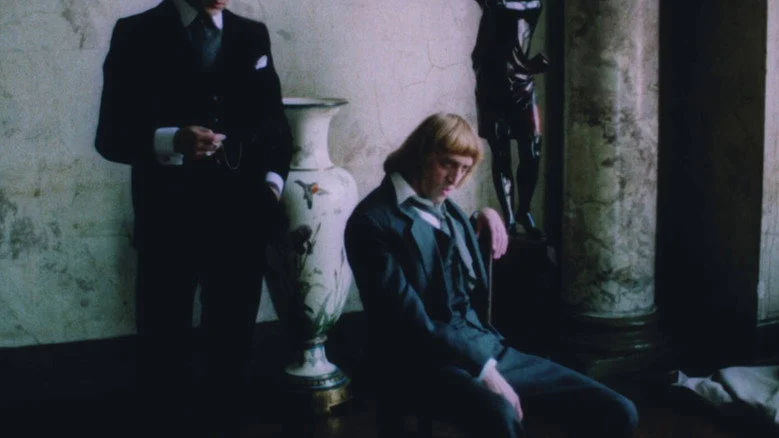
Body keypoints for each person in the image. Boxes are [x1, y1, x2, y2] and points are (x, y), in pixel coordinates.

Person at [344, 113, 637, 438]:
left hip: (483, 344)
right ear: (421, 155)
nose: (456, 179)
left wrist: (484, 214)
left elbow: (443, 252)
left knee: (618, 409)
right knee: (501, 414)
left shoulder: (443, 205)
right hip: (421, 362)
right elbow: (412, 322)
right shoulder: (371, 222)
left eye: (465, 169)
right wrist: (485, 371)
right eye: (447, 164)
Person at [94, 0, 292, 436]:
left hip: (241, 226)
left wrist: (271, 190)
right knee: (163, 359)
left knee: (232, 357)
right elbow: (109, 136)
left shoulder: (252, 35)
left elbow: (276, 128)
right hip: (168, 226)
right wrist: (170, 141)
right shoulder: (136, 33)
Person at [472, 0, 550, 238]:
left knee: (532, 150)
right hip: (492, 85)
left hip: (522, 84)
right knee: (501, 154)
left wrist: (531, 65)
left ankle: (524, 210)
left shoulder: (532, 2)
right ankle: (510, 217)